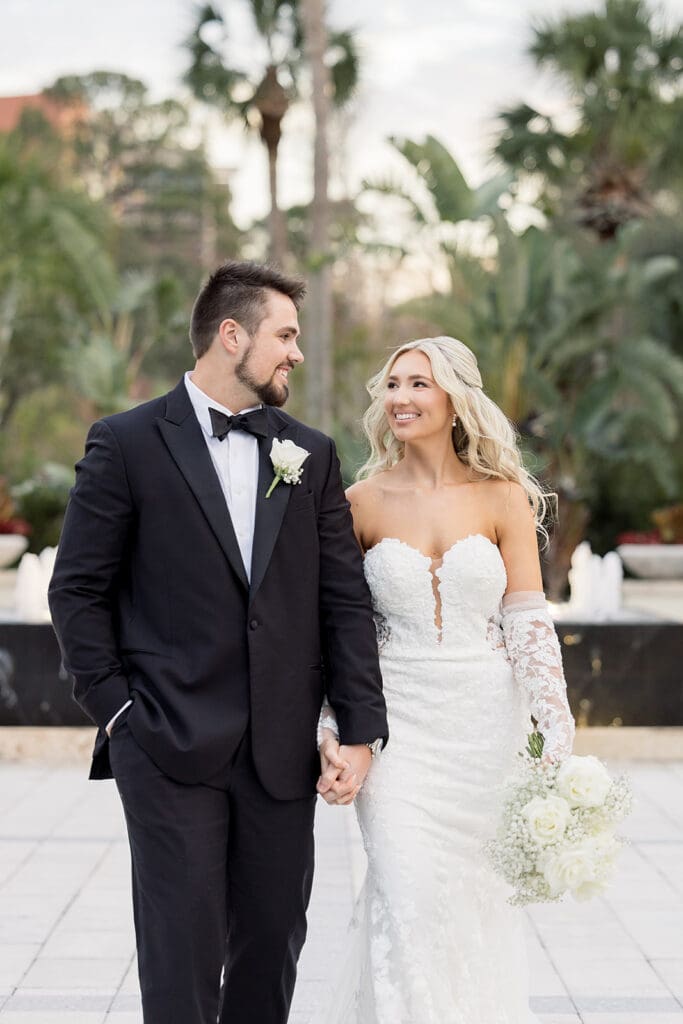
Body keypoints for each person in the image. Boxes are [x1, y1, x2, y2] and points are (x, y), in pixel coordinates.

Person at [48, 260, 388, 1024]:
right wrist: (117, 715)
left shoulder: (312, 454)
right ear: (230, 335)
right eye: (285, 335)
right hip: (165, 743)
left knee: (272, 945)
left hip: (280, 750)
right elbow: (77, 590)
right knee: (182, 949)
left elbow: (342, 600)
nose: (295, 354)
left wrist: (359, 728)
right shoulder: (127, 442)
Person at [317, 336, 575, 1023]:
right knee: (405, 897)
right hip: (397, 731)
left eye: (417, 384)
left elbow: (525, 618)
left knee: (473, 914)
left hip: (483, 731)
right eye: (392, 384)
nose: (399, 397)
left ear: (457, 400)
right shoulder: (358, 502)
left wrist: (555, 724)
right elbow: (342, 631)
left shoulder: (501, 497)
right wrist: (333, 727)